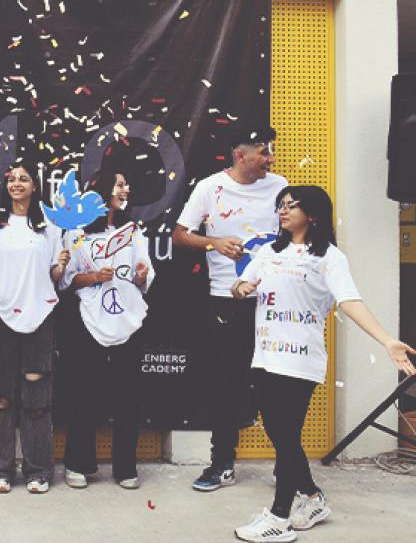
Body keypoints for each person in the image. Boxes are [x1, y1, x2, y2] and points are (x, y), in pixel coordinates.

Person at [230, 186, 416, 542]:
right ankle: (313, 499)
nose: (283, 211)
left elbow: (350, 301)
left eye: (292, 206)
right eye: (281, 206)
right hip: (265, 357)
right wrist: (241, 289)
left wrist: (386, 339)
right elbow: (240, 284)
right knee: (280, 435)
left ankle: (279, 518)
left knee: (287, 438)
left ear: (313, 214)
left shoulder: (329, 257)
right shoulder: (268, 252)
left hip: (301, 360)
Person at [173, 126, 286, 492]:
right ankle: (222, 463)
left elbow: (295, 233)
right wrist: (215, 243)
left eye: (270, 151)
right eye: (264, 151)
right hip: (226, 299)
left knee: (278, 382)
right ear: (241, 155)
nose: (270, 159)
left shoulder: (280, 186)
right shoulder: (210, 187)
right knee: (226, 383)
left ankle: (288, 465)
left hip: (274, 300)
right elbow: (179, 234)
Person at [0, 163, 68, 494]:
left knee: (37, 400)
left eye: (23, 179)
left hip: (40, 316)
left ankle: (38, 471)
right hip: (1, 316)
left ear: (35, 186)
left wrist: (61, 265)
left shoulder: (50, 227)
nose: (16, 183)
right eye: (12, 179)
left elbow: (55, 277)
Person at [59, 170, 153, 490]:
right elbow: (67, 280)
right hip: (89, 319)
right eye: (120, 184)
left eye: (126, 184)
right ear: (102, 191)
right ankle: (78, 463)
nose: (125, 189)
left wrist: (141, 275)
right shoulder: (77, 233)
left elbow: (143, 275)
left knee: (128, 394)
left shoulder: (132, 231)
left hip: (127, 318)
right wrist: (95, 277)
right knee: (84, 391)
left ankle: (125, 467)